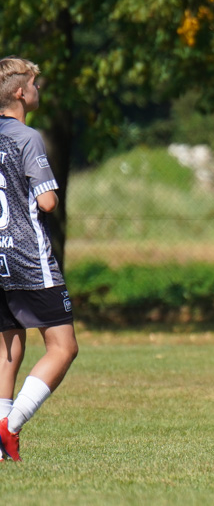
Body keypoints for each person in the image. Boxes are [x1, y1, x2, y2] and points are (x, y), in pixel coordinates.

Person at [0, 56, 78, 461]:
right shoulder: (26, 138)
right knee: (63, 347)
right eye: (35, 84)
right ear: (20, 93)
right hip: (30, 257)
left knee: (7, 350)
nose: (38, 90)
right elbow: (46, 202)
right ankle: (8, 428)